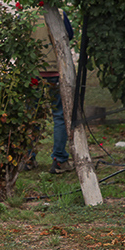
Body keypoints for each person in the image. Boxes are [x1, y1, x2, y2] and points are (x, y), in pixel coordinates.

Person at [31, 9, 75, 174]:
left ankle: (27, 158)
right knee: (59, 115)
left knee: (32, 116)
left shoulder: (25, 15)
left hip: (33, 73)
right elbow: (68, 36)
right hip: (55, 71)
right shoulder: (60, 14)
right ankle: (59, 160)